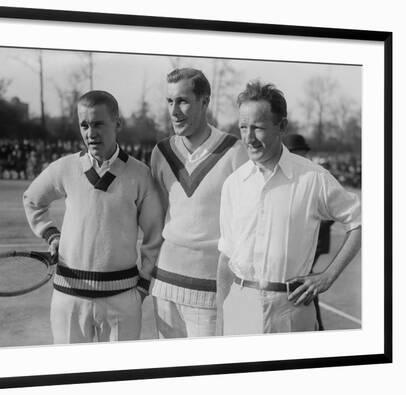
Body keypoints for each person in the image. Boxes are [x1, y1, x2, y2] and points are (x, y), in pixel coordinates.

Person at [216, 81, 361, 335]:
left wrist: (328, 276)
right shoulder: (233, 184)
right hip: (239, 308)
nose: (249, 138)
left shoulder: (313, 178)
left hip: (290, 311)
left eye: (258, 128)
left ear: (281, 126)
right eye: (243, 127)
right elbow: (226, 257)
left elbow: (361, 220)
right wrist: (220, 322)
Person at [23, 90, 164, 344]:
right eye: (85, 125)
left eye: (99, 124)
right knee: (70, 378)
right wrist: (51, 234)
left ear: (117, 124)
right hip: (68, 298)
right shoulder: (65, 167)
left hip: (122, 299)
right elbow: (32, 199)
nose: (91, 133)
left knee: (119, 379)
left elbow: (154, 235)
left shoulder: (140, 174)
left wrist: (143, 285)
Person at [149, 68, 249, 338]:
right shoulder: (161, 152)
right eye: (169, 101)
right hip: (164, 286)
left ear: (204, 101)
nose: (174, 111)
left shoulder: (235, 152)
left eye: (182, 101)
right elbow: (156, 219)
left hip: (210, 291)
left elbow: (246, 229)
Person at [282, 133, 333, 330]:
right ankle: (316, 327)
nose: (302, 157)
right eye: (298, 153)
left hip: (312, 243)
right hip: (294, 249)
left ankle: (316, 328)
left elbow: (333, 213)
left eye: (303, 153)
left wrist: (315, 225)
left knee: (304, 284)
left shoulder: (315, 175)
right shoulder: (287, 177)